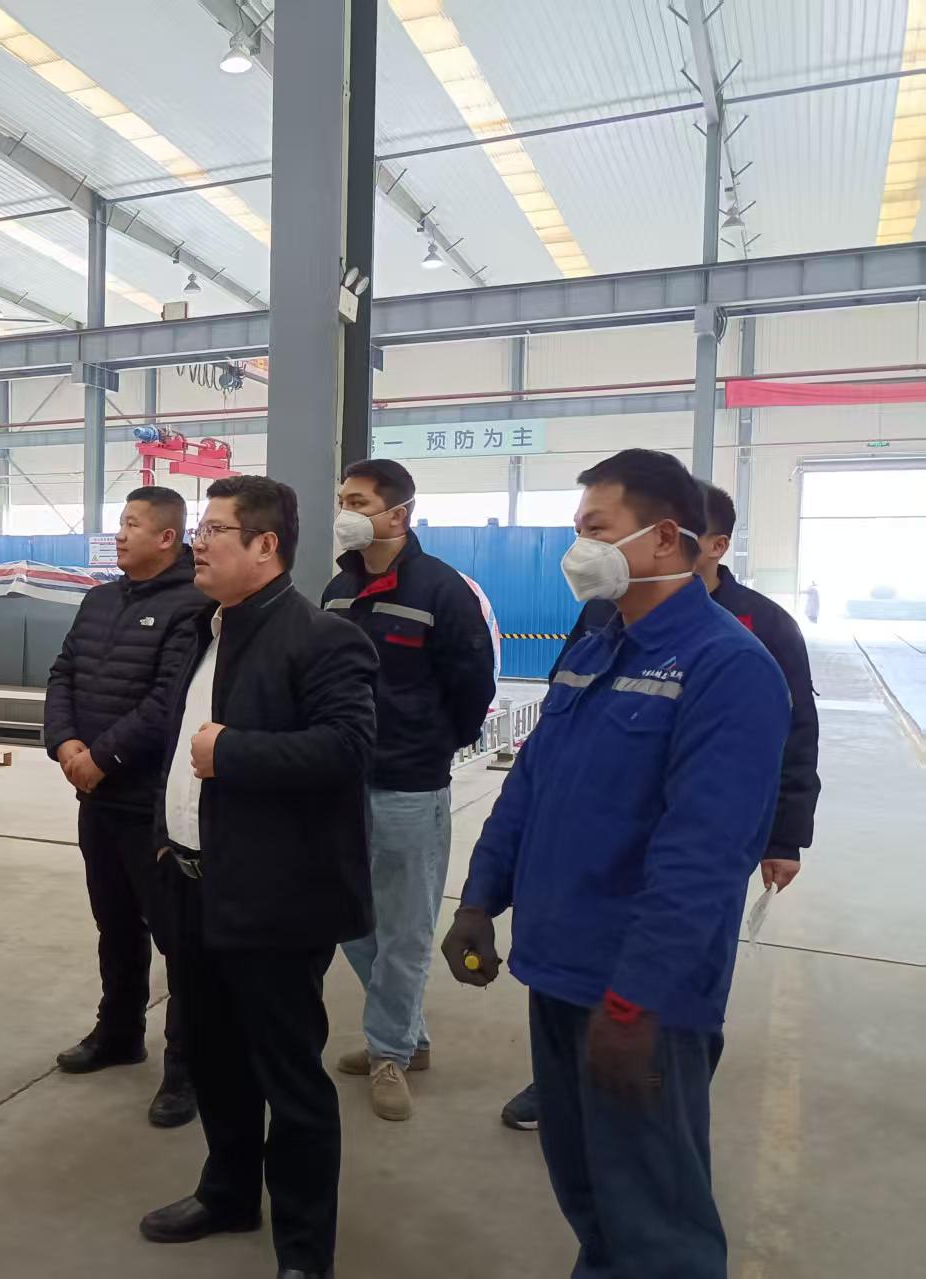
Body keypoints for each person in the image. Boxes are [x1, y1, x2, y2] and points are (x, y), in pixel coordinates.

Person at [441, 450, 790, 1278]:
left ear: (665, 537)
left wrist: (637, 998)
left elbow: (703, 856)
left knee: (656, 1219)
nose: (579, 549)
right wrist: (480, 897)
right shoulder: (596, 645)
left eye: (596, 529)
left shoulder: (728, 666)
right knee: (590, 1192)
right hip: (558, 970)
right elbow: (530, 782)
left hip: (639, 994)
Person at [499, 480, 822, 1131]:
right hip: (589, 856)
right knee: (582, 994)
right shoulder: (604, 616)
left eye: (600, 529)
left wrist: (785, 836)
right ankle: (567, 1075)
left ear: (702, 542)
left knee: (668, 968)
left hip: (682, 847)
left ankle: (663, 1070)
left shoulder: (753, 631)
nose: (587, 548)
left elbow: (795, 736)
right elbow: (566, 705)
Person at [139, 475, 377, 1279]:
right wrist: (165, 842)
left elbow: (349, 747)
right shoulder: (205, 629)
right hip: (193, 884)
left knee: (289, 1077)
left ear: (265, 545)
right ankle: (229, 1191)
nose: (197, 542)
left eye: (214, 529)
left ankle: (305, 1252)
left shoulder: (322, 638)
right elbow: (177, 746)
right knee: (213, 1057)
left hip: (276, 899)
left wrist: (232, 752)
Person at [321, 459, 495, 1121]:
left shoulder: (442, 590)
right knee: (347, 920)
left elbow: (472, 687)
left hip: (410, 786)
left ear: (399, 514)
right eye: (342, 499)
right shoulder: (338, 589)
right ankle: (406, 1034)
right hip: (340, 781)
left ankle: (389, 1051)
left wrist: (430, 743)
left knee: (405, 930)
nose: (346, 511)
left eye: (359, 501)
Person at [44, 486, 207, 1127]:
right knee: (114, 923)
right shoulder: (100, 599)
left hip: (151, 803)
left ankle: (186, 1069)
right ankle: (118, 1032)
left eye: (132, 524)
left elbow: (170, 700)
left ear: (166, 538)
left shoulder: (192, 605)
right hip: (98, 798)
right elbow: (63, 673)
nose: (119, 533)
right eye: (120, 522)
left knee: (178, 939)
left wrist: (103, 757)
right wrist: (65, 743)